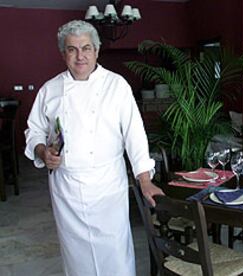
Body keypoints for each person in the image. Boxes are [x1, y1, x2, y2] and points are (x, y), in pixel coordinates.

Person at [24, 20, 163, 276]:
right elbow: (33, 131)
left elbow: (134, 134)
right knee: (76, 256)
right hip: (66, 187)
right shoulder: (50, 89)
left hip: (108, 185)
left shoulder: (116, 85)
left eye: (86, 48)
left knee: (115, 254)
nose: (80, 56)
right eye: (72, 49)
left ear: (97, 51)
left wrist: (144, 179)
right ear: (63, 53)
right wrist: (43, 152)